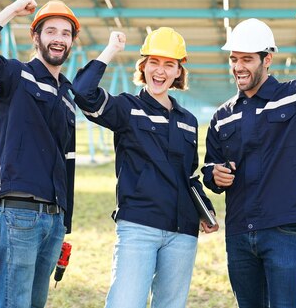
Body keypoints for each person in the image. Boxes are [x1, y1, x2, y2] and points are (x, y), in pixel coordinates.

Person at [201, 7, 296, 308]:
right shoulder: (222, 117)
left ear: (267, 59)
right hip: (239, 234)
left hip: (283, 230)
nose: (238, 67)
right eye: (234, 59)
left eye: (247, 59)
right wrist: (214, 175)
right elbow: (210, 167)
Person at [71, 27, 219, 308]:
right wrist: (111, 49)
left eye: (168, 64)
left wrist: (204, 209)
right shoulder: (127, 108)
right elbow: (82, 92)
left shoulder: (187, 120)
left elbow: (189, 176)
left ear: (178, 71)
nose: (160, 71)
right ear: (143, 66)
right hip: (139, 226)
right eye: (154, 62)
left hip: (183, 233)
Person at [0, 0, 78, 308]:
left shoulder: (67, 94)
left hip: (54, 219)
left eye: (66, 33)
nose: (59, 39)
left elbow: (68, 161)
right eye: (50, 31)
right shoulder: (13, 76)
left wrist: (66, 223)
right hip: (20, 212)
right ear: (35, 36)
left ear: (72, 42)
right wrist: (12, 10)